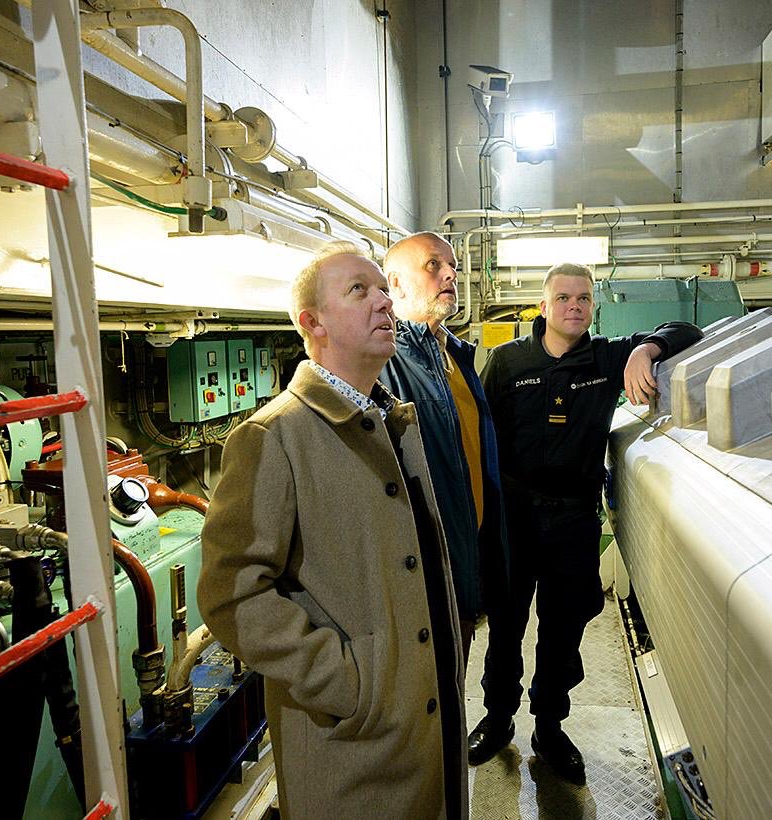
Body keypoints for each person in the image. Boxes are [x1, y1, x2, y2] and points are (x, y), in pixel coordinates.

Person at [197, 242, 467, 819]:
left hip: (422, 715)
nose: (383, 303)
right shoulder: (275, 436)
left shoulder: (390, 420)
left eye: (383, 289)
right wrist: (349, 684)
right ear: (311, 323)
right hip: (355, 744)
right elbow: (230, 593)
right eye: (358, 291)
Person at [467, 263, 702, 783]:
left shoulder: (607, 355)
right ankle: (498, 717)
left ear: (591, 306)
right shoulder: (506, 362)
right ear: (544, 306)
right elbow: (482, 441)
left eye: (584, 298)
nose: (575, 306)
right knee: (506, 627)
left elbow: (688, 332)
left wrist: (646, 350)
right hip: (513, 522)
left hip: (572, 522)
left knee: (562, 630)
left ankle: (549, 728)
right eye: (564, 297)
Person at [379, 231, 509, 663]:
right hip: (421, 581)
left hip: (464, 562)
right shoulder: (383, 364)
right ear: (395, 284)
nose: (451, 273)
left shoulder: (455, 356)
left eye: (452, 266)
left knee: (451, 696)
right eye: (433, 265)